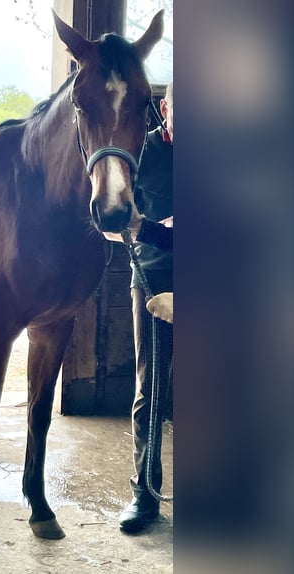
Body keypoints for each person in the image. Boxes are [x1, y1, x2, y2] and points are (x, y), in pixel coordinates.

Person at [115, 82, 174, 534]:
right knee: (149, 391)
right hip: (153, 283)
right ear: (165, 107)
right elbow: (114, 225)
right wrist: (156, 229)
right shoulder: (139, 153)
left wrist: (149, 227)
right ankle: (145, 495)